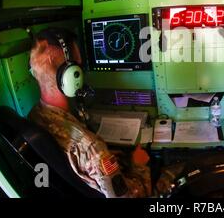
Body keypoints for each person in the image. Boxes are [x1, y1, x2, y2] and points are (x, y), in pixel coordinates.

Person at [28, 27, 151, 198]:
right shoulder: (90, 147)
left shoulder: (35, 115)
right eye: (78, 66)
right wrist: (139, 166)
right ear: (71, 75)